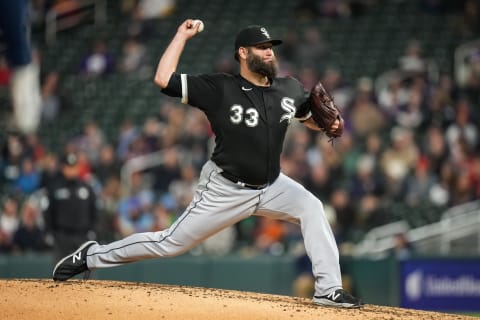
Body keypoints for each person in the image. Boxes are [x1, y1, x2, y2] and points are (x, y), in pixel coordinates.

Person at [52, 20, 362, 308]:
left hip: (272, 184)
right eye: (262, 47)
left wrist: (327, 126)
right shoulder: (220, 88)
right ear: (243, 53)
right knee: (170, 243)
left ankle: (327, 289)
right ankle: (93, 255)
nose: (269, 52)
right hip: (225, 188)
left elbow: (309, 118)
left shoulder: (289, 88)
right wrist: (181, 36)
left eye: (271, 47)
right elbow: (163, 78)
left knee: (312, 208)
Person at [44, 152, 97, 262]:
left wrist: (93, 229)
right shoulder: (55, 187)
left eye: (74, 167)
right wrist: (50, 232)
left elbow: (94, 211)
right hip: (62, 235)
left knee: (87, 268)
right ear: (63, 168)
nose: (72, 170)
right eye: (69, 167)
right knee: (60, 269)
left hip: (83, 235)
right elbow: (49, 212)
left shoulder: (86, 187)